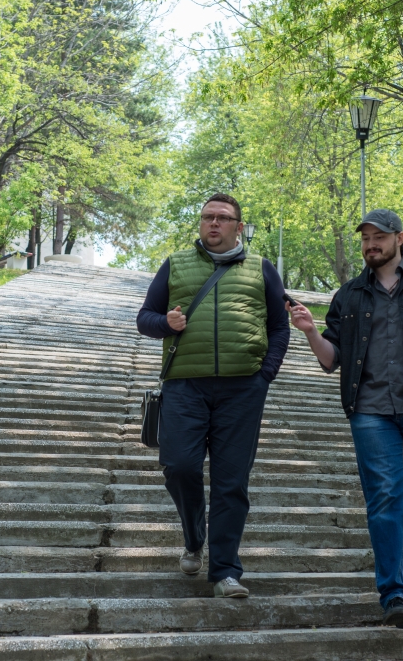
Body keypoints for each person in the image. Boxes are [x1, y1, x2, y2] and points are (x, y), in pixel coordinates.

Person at [287, 208, 403, 628]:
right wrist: (311, 331)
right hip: (370, 412)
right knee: (386, 497)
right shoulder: (349, 295)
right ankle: (395, 594)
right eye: (365, 239)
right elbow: (332, 360)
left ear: (399, 238)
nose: (371, 245)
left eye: (379, 238)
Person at [136, 193, 290, 598]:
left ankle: (225, 570)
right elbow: (144, 319)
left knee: (231, 481)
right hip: (185, 386)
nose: (214, 224)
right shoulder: (175, 265)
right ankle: (193, 536)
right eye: (208, 217)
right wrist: (166, 323)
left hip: (242, 390)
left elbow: (279, 327)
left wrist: (265, 375)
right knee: (180, 466)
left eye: (223, 218)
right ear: (200, 224)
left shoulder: (262, 269)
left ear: (239, 227)